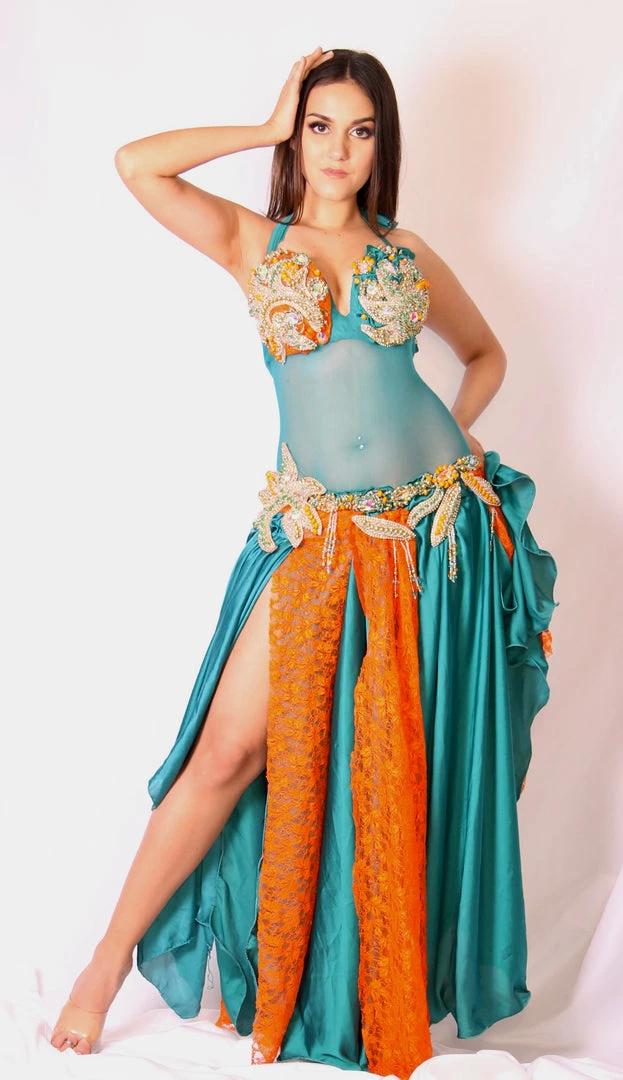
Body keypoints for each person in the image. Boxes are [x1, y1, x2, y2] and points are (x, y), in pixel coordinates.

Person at [50, 46, 557, 1078]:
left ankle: (373, 989)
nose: (338, 149)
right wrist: (264, 126)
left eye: (359, 130)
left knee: (394, 769)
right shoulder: (255, 240)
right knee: (227, 753)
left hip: (426, 541)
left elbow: (485, 353)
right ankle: (102, 969)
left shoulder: (405, 254)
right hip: (316, 538)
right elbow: (137, 164)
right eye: (321, 127)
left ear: (381, 145)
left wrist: (455, 441)